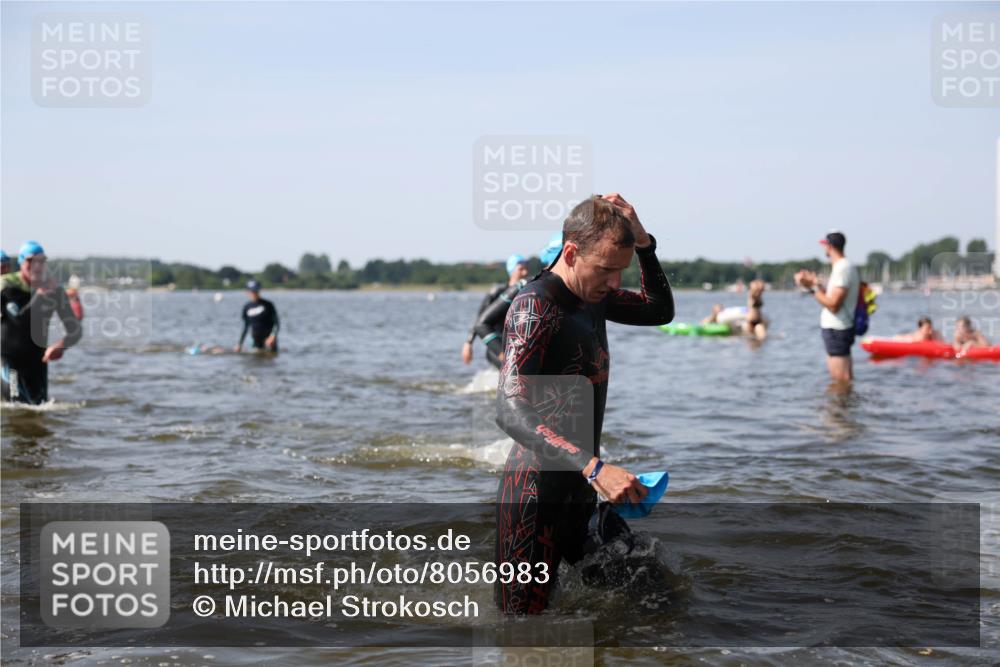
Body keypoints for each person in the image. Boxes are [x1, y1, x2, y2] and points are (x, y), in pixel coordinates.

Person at [494, 193, 674, 615]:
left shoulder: (594, 297)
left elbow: (658, 310)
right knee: (524, 633)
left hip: (582, 490)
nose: (615, 282)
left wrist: (645, 245)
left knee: (657, 600)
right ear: (572, 253)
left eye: (621, 270)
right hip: (535, 500)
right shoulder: (536, 306)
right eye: (607, 269)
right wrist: (595, 467)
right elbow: (508, 406)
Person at [1, 241, 83, 404]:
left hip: (37, 360)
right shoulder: (7, 285)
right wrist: (39, 296)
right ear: (21, 262)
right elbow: (18, 321)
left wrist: (61, 346)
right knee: (17, 405)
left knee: (40, 407)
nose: (36, 266)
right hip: (9, 359)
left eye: (41, 261)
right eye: (30, 261)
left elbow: (75, 329)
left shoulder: (54, 288)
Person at [794, 231, 859, 383]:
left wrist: (812, 288)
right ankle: (846, 406)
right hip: (841, 327)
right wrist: (813, 285)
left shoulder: (842, 268)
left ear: (829, 246)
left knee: (840, 381)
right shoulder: (844, 266)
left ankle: (838, 407)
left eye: (824, 245)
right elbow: (832, 298)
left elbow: (833, 305)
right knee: (844, 380)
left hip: (837, 329)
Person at [461, 254, 529, 368]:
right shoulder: (497, 292)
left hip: (514, 344)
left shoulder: (528, 291)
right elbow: (480, 319)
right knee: (511, 370)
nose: (525, 272)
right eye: (521, 269)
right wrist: (468, 343)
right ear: (511, 271)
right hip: (496, 346)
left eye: (526, 268)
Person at [235, 280, 279, 353]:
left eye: (256, 291)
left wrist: (273, 336)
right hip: (255, 340)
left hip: (269, 340)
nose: (254, 293)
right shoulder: (247, 307)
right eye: (251, 291)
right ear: (247, 292)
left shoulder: (268, 305)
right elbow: (246, 327)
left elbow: (276, 323)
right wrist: (240, 344)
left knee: (270, 360)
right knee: (255, 361)